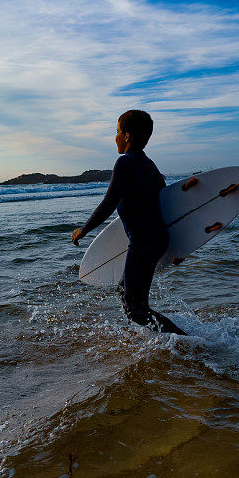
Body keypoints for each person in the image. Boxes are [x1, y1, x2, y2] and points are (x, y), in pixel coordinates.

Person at [71, 110, 185, 335]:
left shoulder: (125, 163)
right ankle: (167, 342)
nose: (114, 137)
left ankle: (186, 342)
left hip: (143, 242)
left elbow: (109, 203)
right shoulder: (151, 167)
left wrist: (83, 231)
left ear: (126, 136)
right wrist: (177, 248)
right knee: (127, 295)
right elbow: (166, 210)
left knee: (135, 309)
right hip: (157, 240)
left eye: (116, 132)